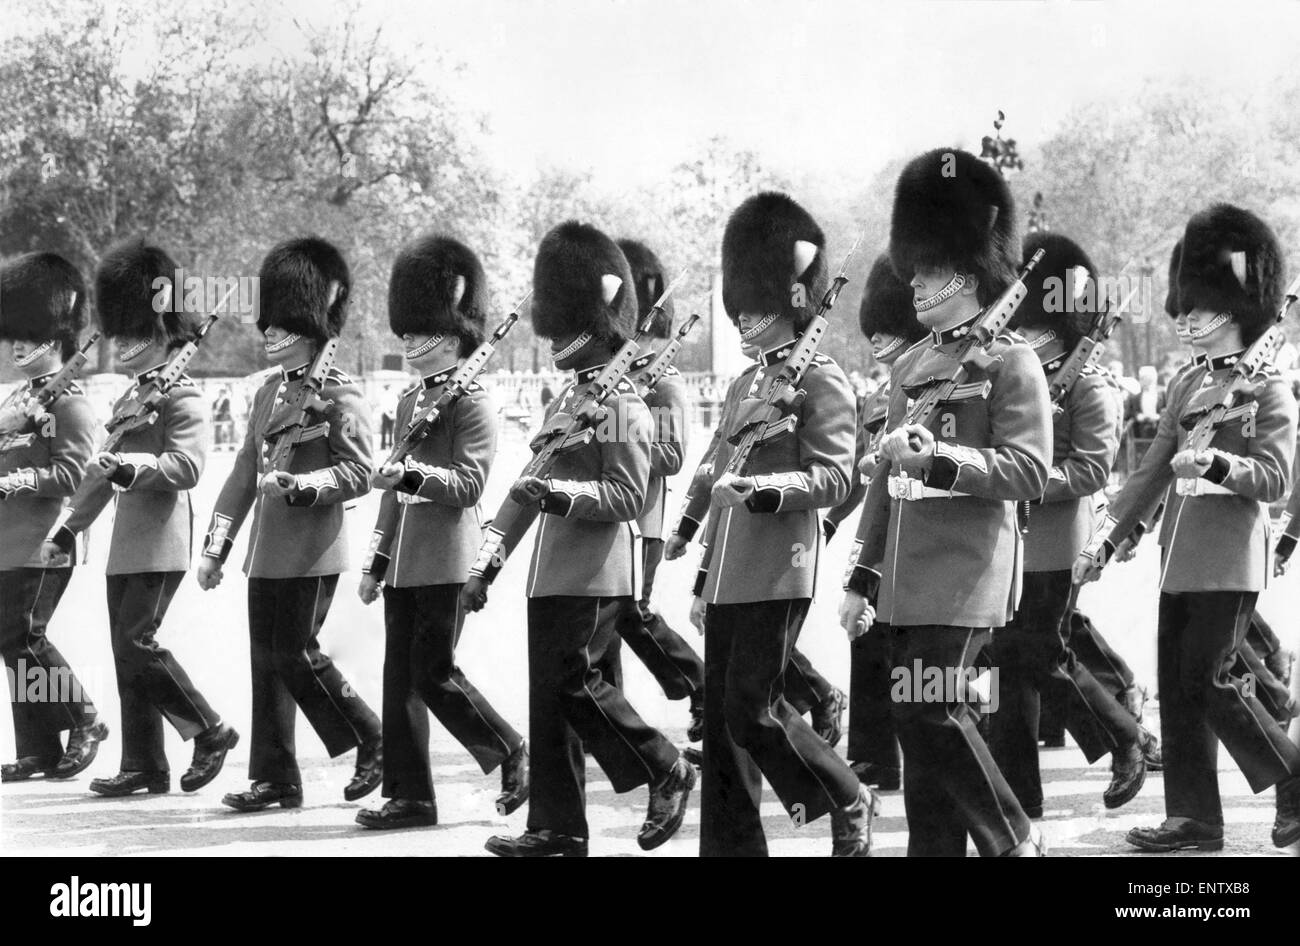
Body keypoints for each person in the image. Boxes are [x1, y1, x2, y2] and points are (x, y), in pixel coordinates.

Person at [839, 148, 1050, 857]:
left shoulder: (1011, 362)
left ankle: (1014, 833)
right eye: (917, 268)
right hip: (904, 576)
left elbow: (1027, 469)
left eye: (929, 271)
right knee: (918, 724)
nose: (917, 282)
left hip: (965, 569)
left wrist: (940, 460)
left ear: (967, 273)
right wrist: (861, 576)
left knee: (929, 708)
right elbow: (881, 488)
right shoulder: (916, 367)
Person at [462, 221, 693, 858]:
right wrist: (490, 558)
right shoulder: (568, 400)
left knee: (576, 685)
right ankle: (557, 830)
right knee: (551, 704)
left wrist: (561, 497)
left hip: (597, 571)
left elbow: (624, 495)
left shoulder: (622, 402)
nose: (556, 340)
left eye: (566, 329)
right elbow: (525, 486)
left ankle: (663, 763)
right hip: (552, 572)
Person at [1077, 204, 1300, 852]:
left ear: (1235, 309)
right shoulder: (1186, 386)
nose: (1186, 319)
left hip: (1230, 556)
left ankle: (1291, 771)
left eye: (1199, 308)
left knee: (1212, 677)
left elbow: (1275, 479)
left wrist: (1218, 462)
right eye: (1186, 307)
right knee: (1178, 689)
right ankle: (1195, 819)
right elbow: (1147, 475)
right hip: (1179, 557)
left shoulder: (1268, 392)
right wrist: (1105, 539)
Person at [682, 192, 875, 857]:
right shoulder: (744, 385)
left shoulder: (823, 381)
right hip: (730, 571)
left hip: (779, 564)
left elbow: (834, 478)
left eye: (756, 310)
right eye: (740, 311)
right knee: (727, 724)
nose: (743, 323)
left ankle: (844, 794)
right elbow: (717, 474)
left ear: (791, 305)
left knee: (753, 709)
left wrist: (761, 491)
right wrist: (702, 570)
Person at [41, 239, 237, 797]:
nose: (122, 344)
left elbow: (187, 466)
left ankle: (209, 729)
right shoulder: (135, 395)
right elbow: (101, 474)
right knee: (125, 655)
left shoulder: (183, 396)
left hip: (161, 539)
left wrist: (131, 466)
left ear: (161, 334)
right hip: (126, 542)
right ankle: (144, 764)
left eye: (133, 334)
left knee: (137, 645)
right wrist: (67, 530)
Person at [196, 236, 383, 812]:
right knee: (265, 665)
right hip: (265, 551)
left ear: (310, 327)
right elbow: (242, 474)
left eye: (282, 328)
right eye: (268, 327)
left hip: (312, 548)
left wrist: (304, 487)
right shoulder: (266, 395)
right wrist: (216, 547)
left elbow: (360, 473)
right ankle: (275, 777)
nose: (269, 337)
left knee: (296, 655)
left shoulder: (341, 393)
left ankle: (369, 733)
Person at [354, 233, 527, 829]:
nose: (406, 340)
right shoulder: (410, 401)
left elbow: (469, 485)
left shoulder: (474, 401)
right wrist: (377, 563)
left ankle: (509, 749)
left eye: (418, 328)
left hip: (448, 556)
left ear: (452, 334)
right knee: (399, 679)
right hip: (405, 559)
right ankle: (410, 796)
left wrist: (410, 476)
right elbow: (391, 492)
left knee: (433, 672)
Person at [985, 232, 1147, 819]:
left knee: (1041, 654)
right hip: (1009, 543)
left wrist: (1028, 480)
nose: (1020, 338)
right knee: (1008, 662)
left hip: (1056, 542)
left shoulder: (1088, 385)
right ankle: (1020, 794)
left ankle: (1123, 735)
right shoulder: (1014, 379)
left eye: (1029, 330)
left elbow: (1090, 470)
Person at [823, 253, 929, 792]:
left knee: (900, 643)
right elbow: (863, 468)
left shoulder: (925, 381)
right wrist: (834, 519)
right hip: (876, 520)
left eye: (888, 330)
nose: (878, 341)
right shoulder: (881, 392)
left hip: (914, 527)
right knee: (863, 635)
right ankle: (873, 754)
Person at [0, 252, 106, 783]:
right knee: (10, 643)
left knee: (25, 637)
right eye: (13, 336)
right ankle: (38, 748)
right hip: (6, 542)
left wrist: (14, 481)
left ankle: (84, 717)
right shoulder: (19, 401)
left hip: (44, 542)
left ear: (55, 338)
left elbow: (73, 477)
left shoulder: (72, 405)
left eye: (27, 336)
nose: (16, 345)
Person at [605, 238, 706, 738]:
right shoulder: (613, 380)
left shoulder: (662, 383)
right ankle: (608, 719)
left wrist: (620, 437)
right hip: (604, 516)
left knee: (631, 615)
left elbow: (671, 455)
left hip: (640, 521)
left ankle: (700, 683)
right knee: (602, 627)